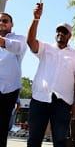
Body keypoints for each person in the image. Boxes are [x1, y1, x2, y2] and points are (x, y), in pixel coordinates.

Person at [26, 3, 75, 147]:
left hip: (62, 103)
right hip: (39, 99)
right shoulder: (45, 48)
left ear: (69, 36)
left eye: (64, 32)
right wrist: (35, 19)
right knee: (34, 139)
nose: (60, 33)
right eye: (58, 31)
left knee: (60, 141)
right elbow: (30, 42)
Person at [0, 12, 27, 147]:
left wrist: (2, 41)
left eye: (5, 21)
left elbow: (17, 47)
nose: (1, 23)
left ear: (12, 24)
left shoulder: (19, 39)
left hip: (8, 92)